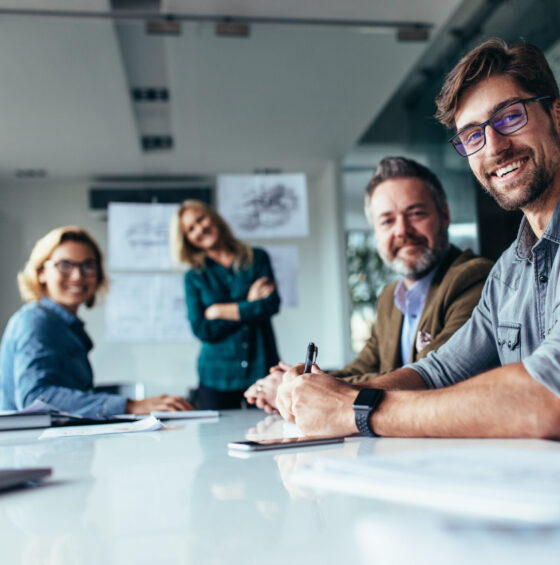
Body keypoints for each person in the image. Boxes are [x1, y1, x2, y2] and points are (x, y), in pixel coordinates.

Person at [276, 39, 560, 454]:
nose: (493, 146)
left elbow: (557, 399)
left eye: (510, 117)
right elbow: (437, 372)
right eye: (472, 136)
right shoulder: (510, 270)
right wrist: (326, 394)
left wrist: (357, 409)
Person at [244, 157, 493, 412]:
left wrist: (301, 389)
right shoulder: (390, 298)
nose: (402, 230)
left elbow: (432, 375)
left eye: (416, 213)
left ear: (445, 215)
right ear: (376, 231)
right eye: (387, 221)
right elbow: (365, 367)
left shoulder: (472, 278)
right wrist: (303, 381)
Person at [0, 226, 193, 417]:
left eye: (88, 266)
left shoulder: (65, 326)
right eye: (65, 265)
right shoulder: (36, 322)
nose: (77, 276)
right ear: (41, 272)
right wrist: (129, 405)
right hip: (31, 446)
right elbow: (36, 398)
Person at [171, 199, 280, 409]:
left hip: (262, 368)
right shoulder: (194, 276)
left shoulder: (257, 258)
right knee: (215, 440)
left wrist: (220, 310)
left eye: (200, 219)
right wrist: (248, 303)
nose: (199, 229)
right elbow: (202, 328)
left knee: (270, 434)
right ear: (187, 240)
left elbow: (270, 305)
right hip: (216, 377)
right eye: (190, 229)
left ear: (213, 217)